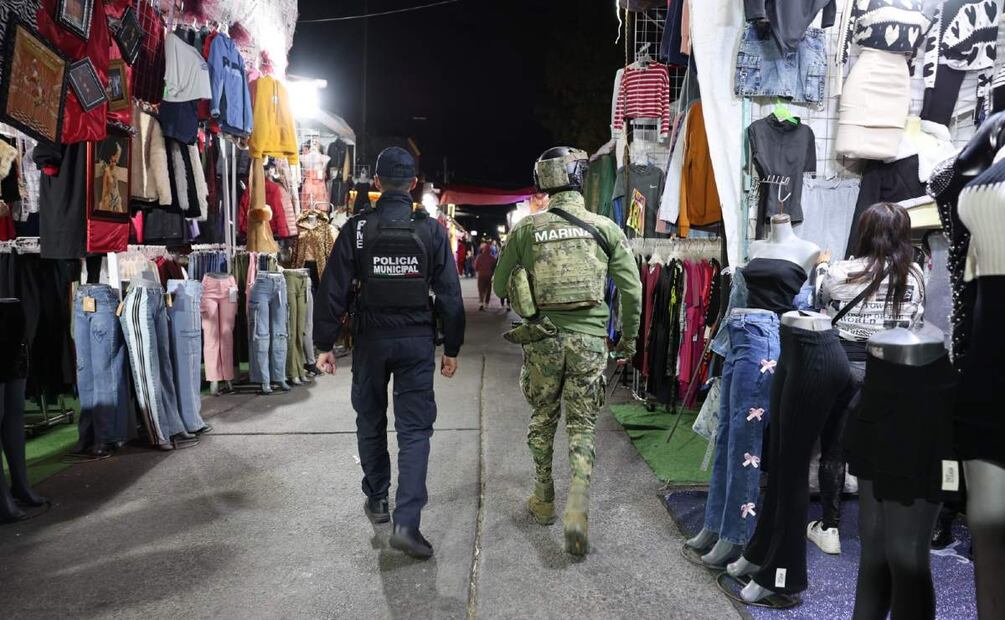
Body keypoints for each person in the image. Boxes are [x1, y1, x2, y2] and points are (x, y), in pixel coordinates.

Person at [314, 147, 465, 560]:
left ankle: (378, 498)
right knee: (415, 429)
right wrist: (451, 347)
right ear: (413, 184)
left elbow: (333, 288)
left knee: (370, 417)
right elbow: (450, 295)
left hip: (370, 339)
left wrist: (324, 344)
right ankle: (407, 523)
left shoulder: (358, 228)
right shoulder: (431, 230)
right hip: (416, 341)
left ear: (376, 183)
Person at [493, 146, 642, 556]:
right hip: (590, 343)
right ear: (578, 176)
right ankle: (576, 509)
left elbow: (499, 282)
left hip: (542, 341)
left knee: (543, 417)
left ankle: (543, 499)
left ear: (544, 180)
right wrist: (627, 340)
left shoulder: (527, 230)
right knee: (582, 426)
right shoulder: (606, 228)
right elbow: (632, 289)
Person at [807, 202, 926, 555]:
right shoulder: (916, 276)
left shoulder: (842, 272)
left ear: (864, 232)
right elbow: (915, 322)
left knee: (835, 446)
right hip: (893, 371)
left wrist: (822, 266)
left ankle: (829, 528)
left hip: (846, 367)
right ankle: (892, 528)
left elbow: (821, 300)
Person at [474, 243, 496, 310]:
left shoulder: (479, 257)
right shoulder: (493, 258)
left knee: (481, 289)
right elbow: (494, 267)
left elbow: (476, 266)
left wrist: (478, 270)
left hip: (481, 275)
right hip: (489, 276)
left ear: (483, 250)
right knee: (488, 290)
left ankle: (481, 303)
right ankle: (486, 303)